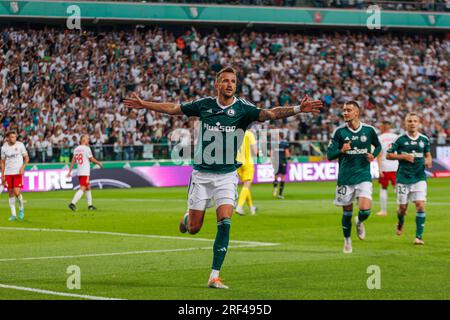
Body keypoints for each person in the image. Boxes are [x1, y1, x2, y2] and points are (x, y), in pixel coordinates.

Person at [124, 66, 323, 289]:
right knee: (194, 229)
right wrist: (144, 104)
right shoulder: (204, 105)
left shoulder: (243, 108)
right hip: (201, 174)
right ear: (217, 84)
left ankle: (214, 276)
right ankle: (188, 218)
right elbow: (173, 108)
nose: (230, 84)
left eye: (233, 81)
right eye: (226, 81)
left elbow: (271, 113)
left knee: (225, 223)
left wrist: (298, 108)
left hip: (227, 175)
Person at [326, 101, 381, 254]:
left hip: (363, 175)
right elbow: (330, 155)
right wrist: (342, 150)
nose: (345, 113)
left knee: (365, 209)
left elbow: (378, 146)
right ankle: (347, 240)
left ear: (357, 112)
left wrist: (373, 155)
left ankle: (360, 221)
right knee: (347, 212)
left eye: (348, 110)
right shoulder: (339, 132)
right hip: (345, 178)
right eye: (344, 110)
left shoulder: (369, 131)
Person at [386, 113, 432, 245]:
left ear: (419, 123)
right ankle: (400, 222)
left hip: (419, 177)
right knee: (402, 209)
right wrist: (403, 157)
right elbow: (389, 155)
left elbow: (428, 155)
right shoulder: (399, 140)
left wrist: (428, 161)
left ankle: (418, 237)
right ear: (405, 124)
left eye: (415, 121)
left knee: (420, 205)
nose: (412, 123)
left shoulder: (424, 139)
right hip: (403, 178)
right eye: (409, 121)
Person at [67, 134, 103, 212]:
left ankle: (90, 206)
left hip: (79, 171)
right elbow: (91, 159)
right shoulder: (87, 149)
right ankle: (72, 203)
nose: (88, 140)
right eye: (87, 139)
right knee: (83, 188)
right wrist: (99, 163)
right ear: (83, 140)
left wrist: (69, 171)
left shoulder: (76, 149)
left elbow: (73, 161)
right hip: (85, 172)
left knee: (88, 187)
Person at [1, 131, 29, 221]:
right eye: (12, 137)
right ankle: (13, 215)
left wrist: (23, 167)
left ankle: (21, 209)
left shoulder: (20, 145)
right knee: (10, 193)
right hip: (8, 173)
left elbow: (27, 158)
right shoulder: (4, 148)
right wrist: (3, 174)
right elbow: (2, 162)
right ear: (8, 138)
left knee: (17, 192)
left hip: (17, 172)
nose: (14, 138)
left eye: (15, 137)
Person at [376, 121, 399, 216]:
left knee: (383, 188)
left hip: (385, 166)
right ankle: (401, 209)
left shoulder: (379, 138)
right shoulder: (396, 137)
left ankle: (383, 211)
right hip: (396, 166)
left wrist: (379, 169)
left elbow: (379, 155)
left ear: (382, 127)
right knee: (398, 188)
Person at [235, 127, 258, 215]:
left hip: (237, 163)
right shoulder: (249, 134)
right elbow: (255, 151)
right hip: (247, 163)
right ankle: (239, 207)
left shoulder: (235, 133)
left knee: (245, 186)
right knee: (247, 185)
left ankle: (251, 207)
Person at [271, 132, 290, 199]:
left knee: (275, 177)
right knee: (282, 178)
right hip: (283, 162)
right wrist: (289, 162)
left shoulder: (274, 144)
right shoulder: (285, 144)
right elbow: (287, 154)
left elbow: (271, 154)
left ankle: (275, 188)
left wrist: (272, 162)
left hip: (276, 162)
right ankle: (280, 194)